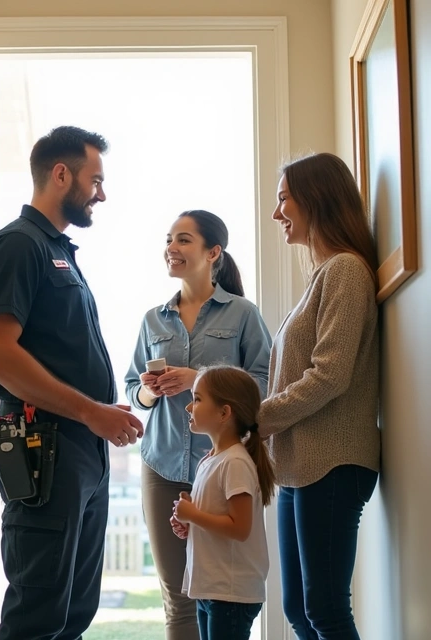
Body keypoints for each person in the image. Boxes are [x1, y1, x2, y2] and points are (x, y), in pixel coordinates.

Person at [0, 125, 145, 640]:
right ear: (62, 174)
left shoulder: (60, 251)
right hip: (43, 447)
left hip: (81, 448)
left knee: (74, 612)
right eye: (96, 180)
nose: (101, 194)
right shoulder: (18, 246)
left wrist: (99, 415)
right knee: (38, 614)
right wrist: (91, 411)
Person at [123, 210, 271, 640]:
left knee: (220, 592)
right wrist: (149, 391)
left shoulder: (243, 314)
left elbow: (264, 383)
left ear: (213, 252)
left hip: (222, 469)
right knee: (179, 597)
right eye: (169, 239)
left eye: (183, 239)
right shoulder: (153, 320)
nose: (172, 247)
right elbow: (132, 390)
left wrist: (198, 379)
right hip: (163, 465)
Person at [258, 152, 380, 640]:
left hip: (332, 463)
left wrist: (255, 419)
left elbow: (329, 376)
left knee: (324, 610)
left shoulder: (345, 270)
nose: (277, 213)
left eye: (284, 199)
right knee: (299, 609)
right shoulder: (323, 275)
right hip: (300, 465)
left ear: (316, 198)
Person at [170, 365, 276, 640]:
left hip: (230, 593)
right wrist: (189, 523)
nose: (188, 407)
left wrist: (193, 515)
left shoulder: (235, 462)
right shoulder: (211, 461)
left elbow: (239, 528)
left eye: (197, 399)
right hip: (212, 588)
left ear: (224, 413)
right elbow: (217, 518)